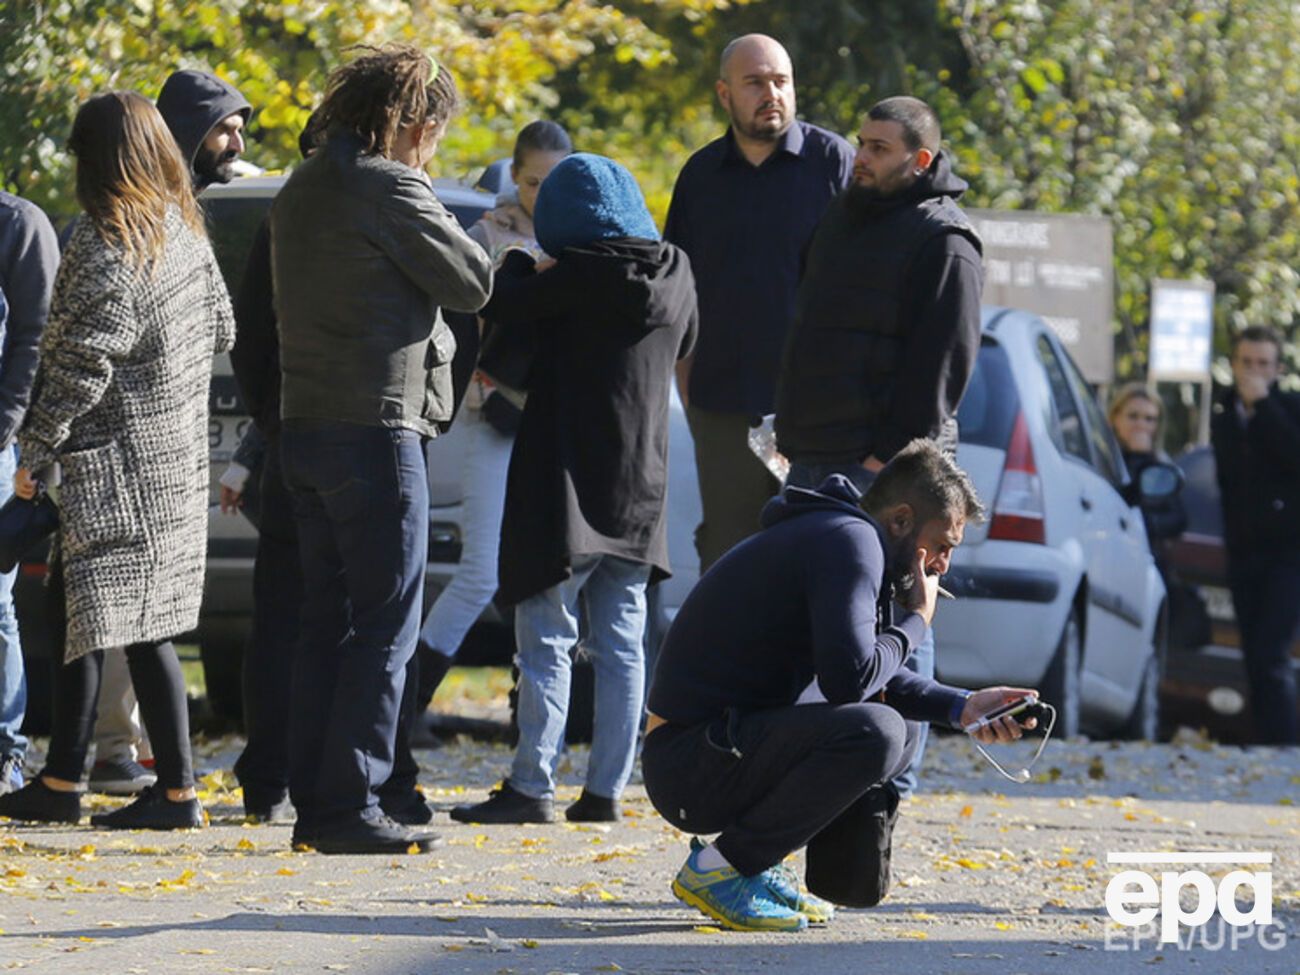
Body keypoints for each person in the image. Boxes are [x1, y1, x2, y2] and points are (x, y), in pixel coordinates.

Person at [643, 440, 1034, 931]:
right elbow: (851, 681)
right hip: (687, 763)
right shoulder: (850, 543)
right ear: (901, 520)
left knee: (901, 728)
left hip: (712, 748)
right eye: (942, 546)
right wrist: (917, 620)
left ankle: (755, 863)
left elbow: (870, 673)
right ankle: (719, 870)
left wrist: (964, 707)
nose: (942, 566)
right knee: (878, 731)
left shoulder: (846, 537)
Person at [272, 45, 492, 854]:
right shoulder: (393, 187)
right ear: (416, 123)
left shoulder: (301, 187)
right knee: (385, 626)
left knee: (324, 622)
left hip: (305, 428)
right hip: (377, 430)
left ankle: (315, 803)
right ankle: (351, 804)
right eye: (433, 130)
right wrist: (427, 192)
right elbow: (472, 283)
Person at [0, 90, 235, 829]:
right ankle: (65, 777)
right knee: (87, 616)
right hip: (169, 458)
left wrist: (33, 452)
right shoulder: (184, 231)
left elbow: (80, 364)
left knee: (142, 628)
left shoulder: (109, 239)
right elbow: (223, 327)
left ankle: (177, 794)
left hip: (115, 464)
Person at [450, 153, 697, 825]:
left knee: (546, 636)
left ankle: (532, 785)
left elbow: (498, 300)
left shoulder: (576, 275)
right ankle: (607, 791)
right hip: (640, 485)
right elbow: (688, 340)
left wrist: (527, 261)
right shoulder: (675, 272)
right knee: (622, 641)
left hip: (562, 481)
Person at [774, 95, 984, 798]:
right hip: (813, 459)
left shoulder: (945, 241)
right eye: (861, 143)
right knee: (810, 629)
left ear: (920, 161)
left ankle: (886, 792)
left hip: (885, 476)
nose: (859, 157)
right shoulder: (841, 217)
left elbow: (941, 369)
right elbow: (807, 332)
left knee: (897, 629)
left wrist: (887, 467)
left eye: (879, 148)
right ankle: (814, 779)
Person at [78, 68, 254, 798]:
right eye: (224, 126)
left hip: (164, 451)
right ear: (181, 134)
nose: (237, 140)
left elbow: (222, 324)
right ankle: (123, 752)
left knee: (140, 615)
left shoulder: (181, 219)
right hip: (132, 451)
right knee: (134, 615)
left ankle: (136, 765)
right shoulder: (146, 223)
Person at [664, 34, 853, 572]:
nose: (771, 93)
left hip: (816, 408)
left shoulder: (834, 163)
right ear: (725, 94)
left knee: (817, 551)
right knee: (728, 553)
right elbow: (678, 288)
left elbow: (863, 283)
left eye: (781, 81)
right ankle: (725, 660)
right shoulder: (699, 177)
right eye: (755, 82)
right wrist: (687, 379)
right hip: (720, 402)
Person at [414, 120, 573, 707]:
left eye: (557, 183)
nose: (543, 196)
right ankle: (408, 702)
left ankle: (532, 711)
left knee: (550, 573)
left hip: (556, 427)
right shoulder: (488, 235)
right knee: (481, 571)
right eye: (533, 183)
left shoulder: (585, 239)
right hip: (498, 418)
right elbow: (457, 328)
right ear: (515, 176)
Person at [223, 117, 320, 825]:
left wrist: (273, 415)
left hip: (292, 429)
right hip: (331, 435)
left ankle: (271, 776)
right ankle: (312, 774)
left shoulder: (281, 216)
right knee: (327, 615)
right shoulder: (384, 206)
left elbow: (250, 338)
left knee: (282, 615)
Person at [1210, 325, 1300, 745]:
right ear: (1233, 364)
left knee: (1272, 653)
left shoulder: (1288, 408)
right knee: (1252, 655)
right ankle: (1266, 739)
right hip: (1244, 552)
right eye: (1246, 363)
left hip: (1289, 553)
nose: (1254, 371)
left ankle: (1283, 744)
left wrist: (1262, 406)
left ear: (1278, 368)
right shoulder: (1224, 412)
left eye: (1263, 364)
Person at [0, 191, 59, 796]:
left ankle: (3, 753)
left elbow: (34, 340)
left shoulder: (17, 226)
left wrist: (4, 433)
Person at [1107, 384, 1187, 552]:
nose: (1141, 425)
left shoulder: (1160, 463)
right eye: (1133, 416)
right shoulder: (1102, 458)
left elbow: (1177, 520)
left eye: (1149, 419)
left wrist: (1144, 459)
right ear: (1115, 418)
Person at [156, 69, 253, 191]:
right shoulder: (137, 204)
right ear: (190, 133)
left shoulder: (179, 203)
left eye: (239, 131)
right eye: (225, 131)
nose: (239, 147)